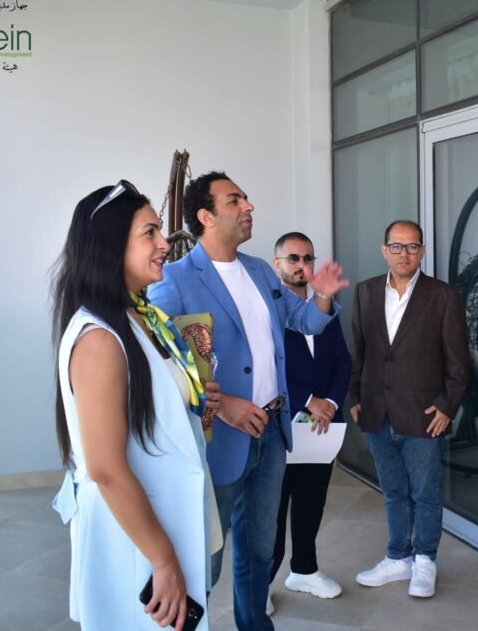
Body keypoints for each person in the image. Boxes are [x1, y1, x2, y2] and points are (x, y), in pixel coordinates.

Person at [148, 172, 348, 631]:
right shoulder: (175, 280)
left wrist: (321, 295)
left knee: (259, 548)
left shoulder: (259, 271)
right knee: (206, 554)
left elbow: (305, 322)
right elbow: (163, 365)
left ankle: (255, 624)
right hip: (218, 439)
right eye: (235, 200)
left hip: (272, 432)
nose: (248, 206)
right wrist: (223, 406)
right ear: (206, 216)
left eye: (245, 198)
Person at [51, 181, 219, 630]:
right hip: (134, 539)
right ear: (111, 245)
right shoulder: (99, 339)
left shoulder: (136, 318)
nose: (165, 243)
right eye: (150, 233)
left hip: (160, 520)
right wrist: (162, 560)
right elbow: (106, 468)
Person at [350, 220, 470, 599]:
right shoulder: (366, 291)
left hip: (424, 414)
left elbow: (458, 362)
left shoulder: (443, 296)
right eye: (397, 246)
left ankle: (425, 560)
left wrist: (448, 406)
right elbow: (358, 351)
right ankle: (398, 557)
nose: (404, 254)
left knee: (425, 493)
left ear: (423, 251)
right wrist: (354, 397)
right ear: (384, 250)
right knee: (393, 491)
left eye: (412, 246)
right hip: (376, 411)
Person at [268, 232, 351, 610]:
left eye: (308, 259)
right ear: (277, 265)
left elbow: (343, 361)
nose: (302, 266)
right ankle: (261, 584)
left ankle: (304, 569)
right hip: (281, 423)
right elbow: (269, 366)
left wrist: (330, 403)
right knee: (272, 509)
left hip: (322, 428)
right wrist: (307, 400)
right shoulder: (269, 308)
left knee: (312, 500)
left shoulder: (325, 304)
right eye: (293, 259)